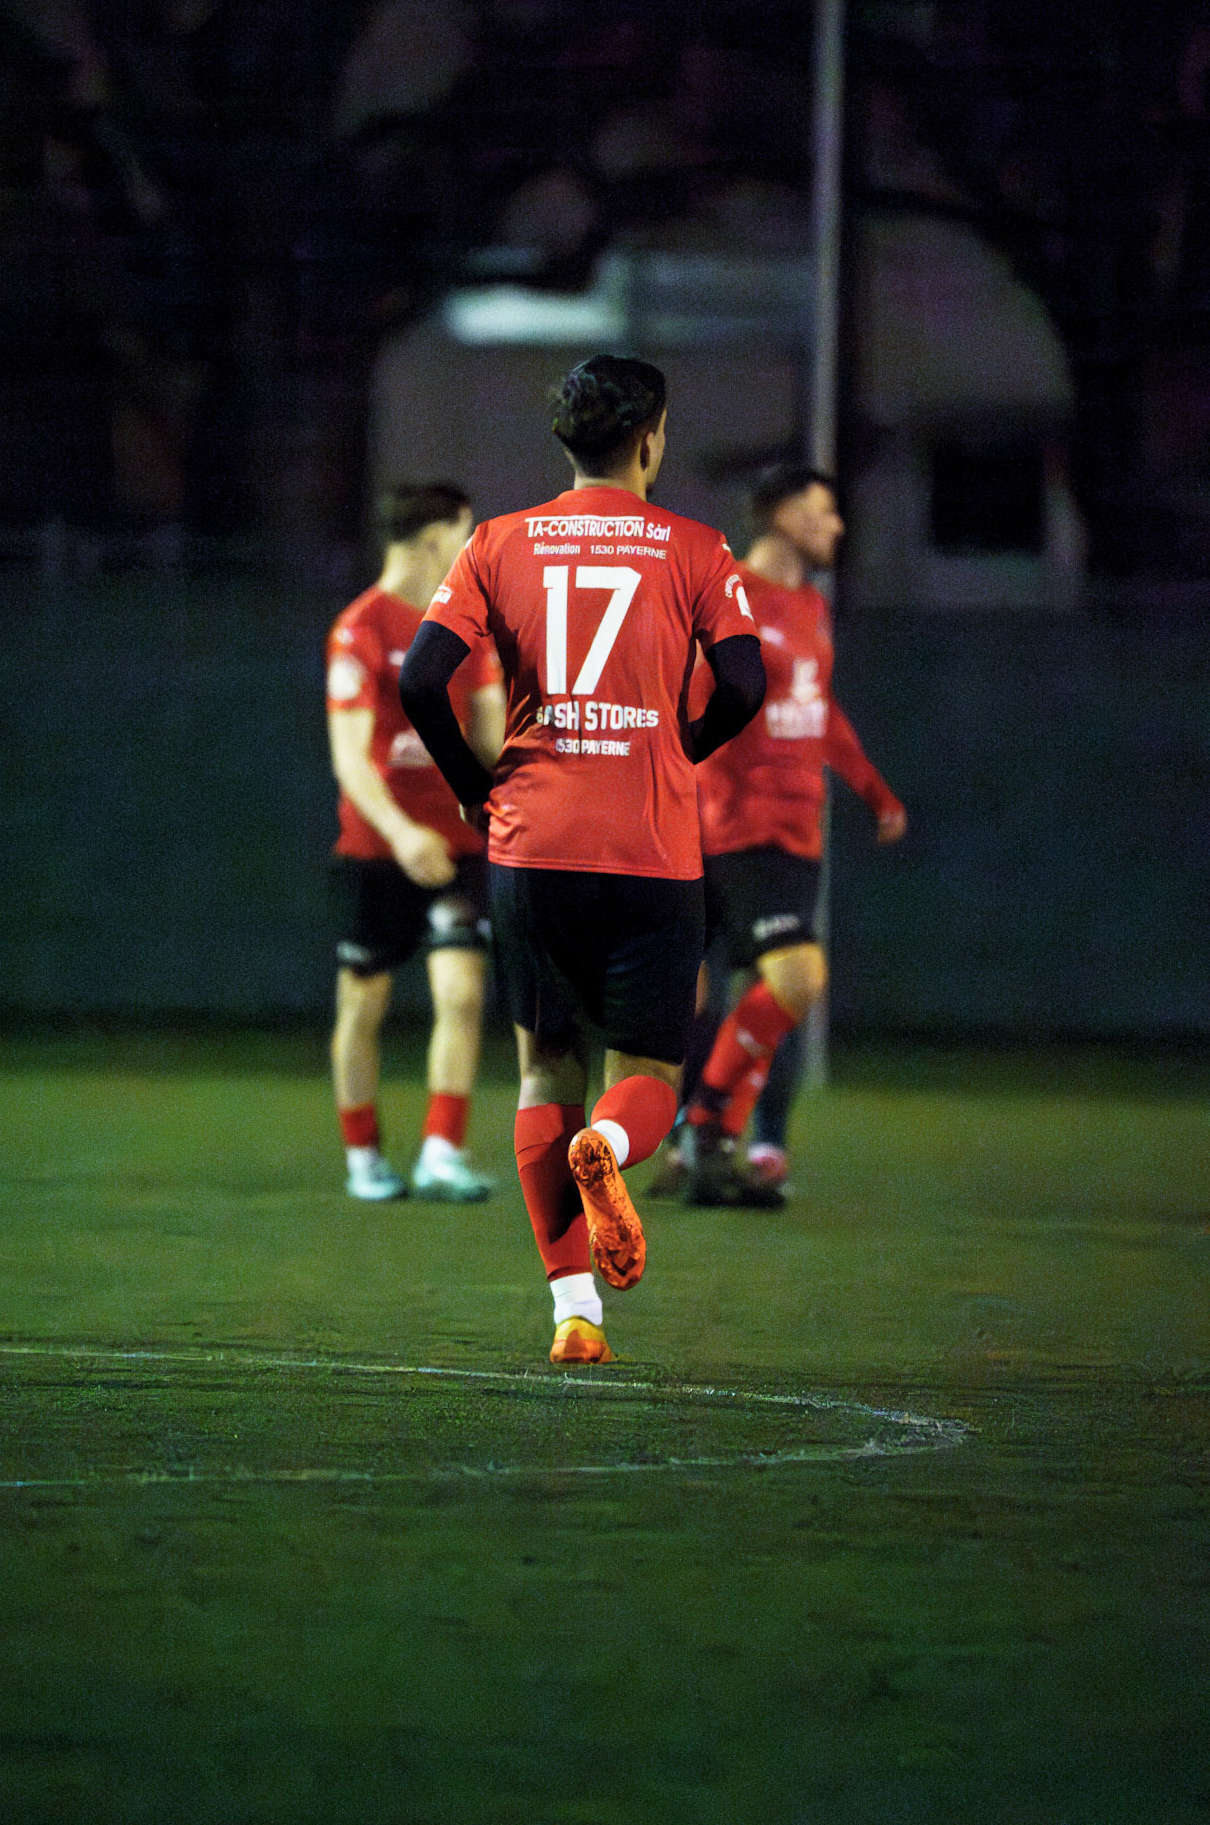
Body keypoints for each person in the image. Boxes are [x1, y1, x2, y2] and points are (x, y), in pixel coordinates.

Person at [399, 356, 765, 1363]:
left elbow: (422, 677)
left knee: (541, 1068)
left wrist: (478, 788)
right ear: (650, 436)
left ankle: (575, 1313)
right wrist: (678, 745)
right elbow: (744, 680)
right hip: (649, 846)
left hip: (534, 843)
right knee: (645, 1070)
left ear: (568, 441)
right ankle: (610, 1145)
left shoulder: (496, 542)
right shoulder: (695, 547)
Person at [652, 457, 906, 1207]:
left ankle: (725, 1137)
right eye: (823, 511)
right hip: (723, 830)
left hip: (792, 835)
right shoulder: (722, 592)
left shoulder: (809, 608)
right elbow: (684, 709)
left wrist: (873, 792)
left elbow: (816, 710)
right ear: (785, 516)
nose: (835, 525)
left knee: (781, 986)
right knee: (703, 995)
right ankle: (690, 1134)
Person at [326, 481, 505, 1201]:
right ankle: (364, 1158)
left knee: (461, 992)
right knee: (362, 1004)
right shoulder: (359, 629)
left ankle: (440, 1152)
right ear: (435, 538)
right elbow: (349, 758)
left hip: (458, 847)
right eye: (465, 532)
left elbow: (493, 740)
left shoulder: (471, 630)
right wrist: (400, 834)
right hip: (378, 852)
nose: (472, 548)